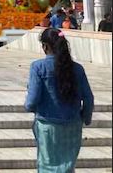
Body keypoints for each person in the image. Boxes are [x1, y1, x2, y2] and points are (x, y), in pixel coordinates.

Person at [25, 28, 94, 171]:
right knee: (67, 167)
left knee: (48, 167)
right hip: (73, 125)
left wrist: (30, 107)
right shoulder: (78, 69)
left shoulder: (38, 67)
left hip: (48, 126)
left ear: (45, 46)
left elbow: (32, 101)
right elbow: (88, 98)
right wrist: (85, 118)